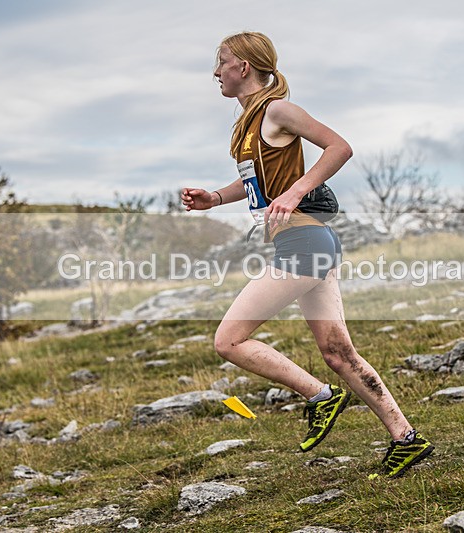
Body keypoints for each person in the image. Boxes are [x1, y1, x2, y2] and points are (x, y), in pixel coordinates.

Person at [181, 31, 433, 478]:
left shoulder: (278, 109)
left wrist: (298, 190)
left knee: (229, 341)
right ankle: (405, 438)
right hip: (309, 242)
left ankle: (321, 397)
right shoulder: (246, 124)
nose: (215, 73)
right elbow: (257, 183)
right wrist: (215, 199)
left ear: (243, 66)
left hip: (303, 242)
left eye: (221, 62)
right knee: (338, 352)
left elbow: (339, 147)